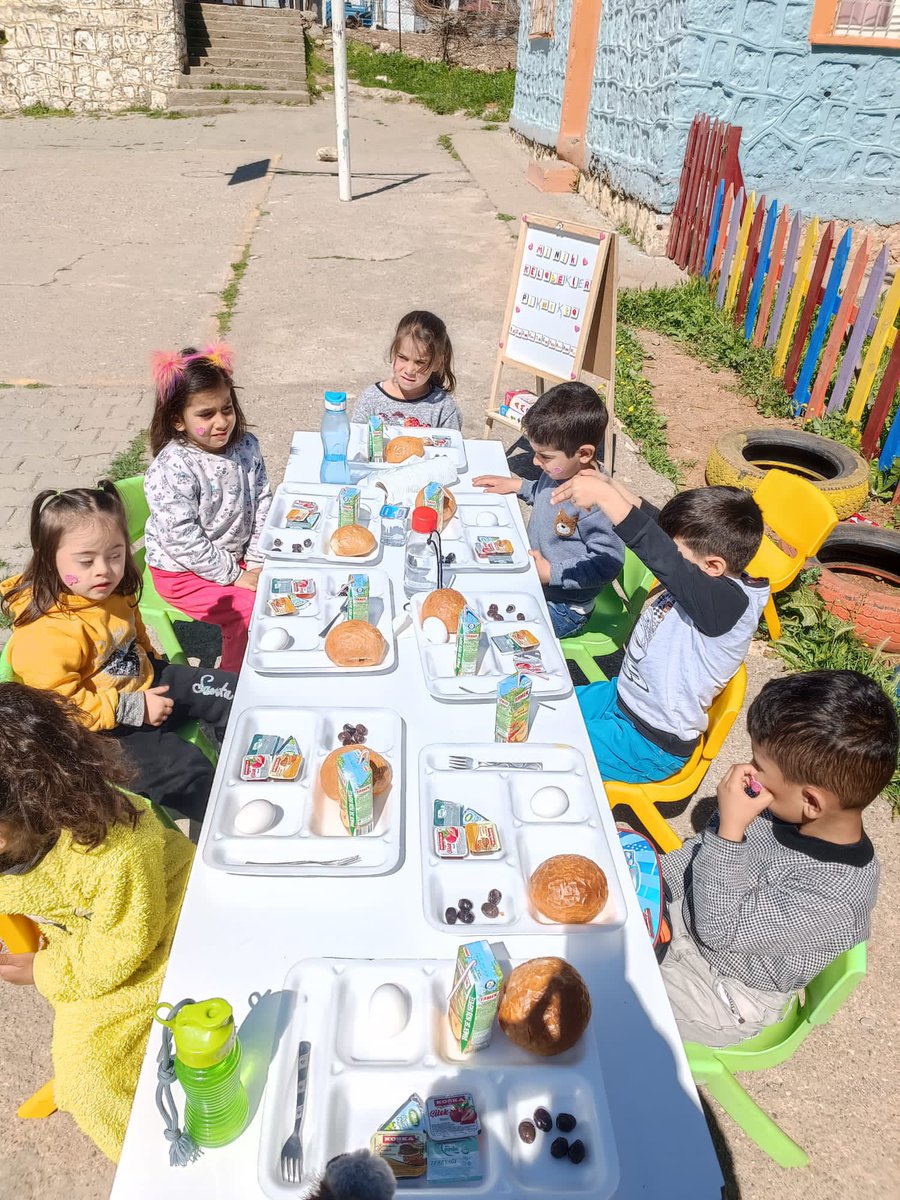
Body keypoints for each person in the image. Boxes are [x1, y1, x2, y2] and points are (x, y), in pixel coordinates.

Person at [0, 683, 194, 1161]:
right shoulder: (16, 840)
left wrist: (43, 971)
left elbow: (122, 950)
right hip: (86, 949)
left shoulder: (114, 848)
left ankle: (158, 1168)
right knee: (86, 1064)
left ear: (31, 803)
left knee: (89, 1079)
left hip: (164, 935)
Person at [658, 669, 897, 1047]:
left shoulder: (835, 900)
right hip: (685, 922)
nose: (749, 772)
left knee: (601, 992)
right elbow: (698, 853)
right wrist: (654, 879)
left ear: (812, 802)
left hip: (723, 988)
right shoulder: (781, 807)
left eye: (760, 768)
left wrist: (731, 831)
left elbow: (718, 930)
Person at [1, 482, 237, 822]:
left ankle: (247, 759)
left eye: (115, 555)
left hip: (146, 679)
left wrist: (154, 660)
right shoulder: (44, 635)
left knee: (230, 690)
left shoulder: (111, 587)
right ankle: (231, 824)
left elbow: (132, 628)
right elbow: (62, 707)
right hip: (102, 730)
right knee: (189, 775)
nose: (104, 570)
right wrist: (133, 707)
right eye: (86, 561)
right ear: (48, 559)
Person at [550, 472, 768, 781]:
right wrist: (615, 487)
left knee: (544, 745)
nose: (668, 559)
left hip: (648, 743)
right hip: (620, 698)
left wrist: (607, 499)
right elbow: (663, 535)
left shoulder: (726, 607)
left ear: (714, 566)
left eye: (676, 554)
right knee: (538, 711)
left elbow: (663, 555)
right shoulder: (708, 573)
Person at [143, 342, 272, 672]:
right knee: (249, 610)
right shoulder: (172, 468)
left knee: (288, 584)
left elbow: (262, 503)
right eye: (206, 414)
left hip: (237, 559)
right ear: (178, 420)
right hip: (182, 573)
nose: (221, 422)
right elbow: (182, 540)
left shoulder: (246, 446)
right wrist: (234, 575)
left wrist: (256, 562)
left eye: (226, 408)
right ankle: (230, 692)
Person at [472, 382, 624, 639]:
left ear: (584, 454)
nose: (535, 461)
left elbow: (607, 565)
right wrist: (518, 485)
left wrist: (550, 573)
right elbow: (544, 495)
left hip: (563, 607)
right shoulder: (559, 472)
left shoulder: (596, 503)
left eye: (544, 456)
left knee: (491, 632)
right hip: (535, 581)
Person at [352, 310, 461, 431]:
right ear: (393, 353)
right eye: (403, 358)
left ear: (437, 363)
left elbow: (452, 447)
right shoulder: (370, 399)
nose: (409, 370)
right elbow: (358, 442)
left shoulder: (444, 408)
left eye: (420, 362)